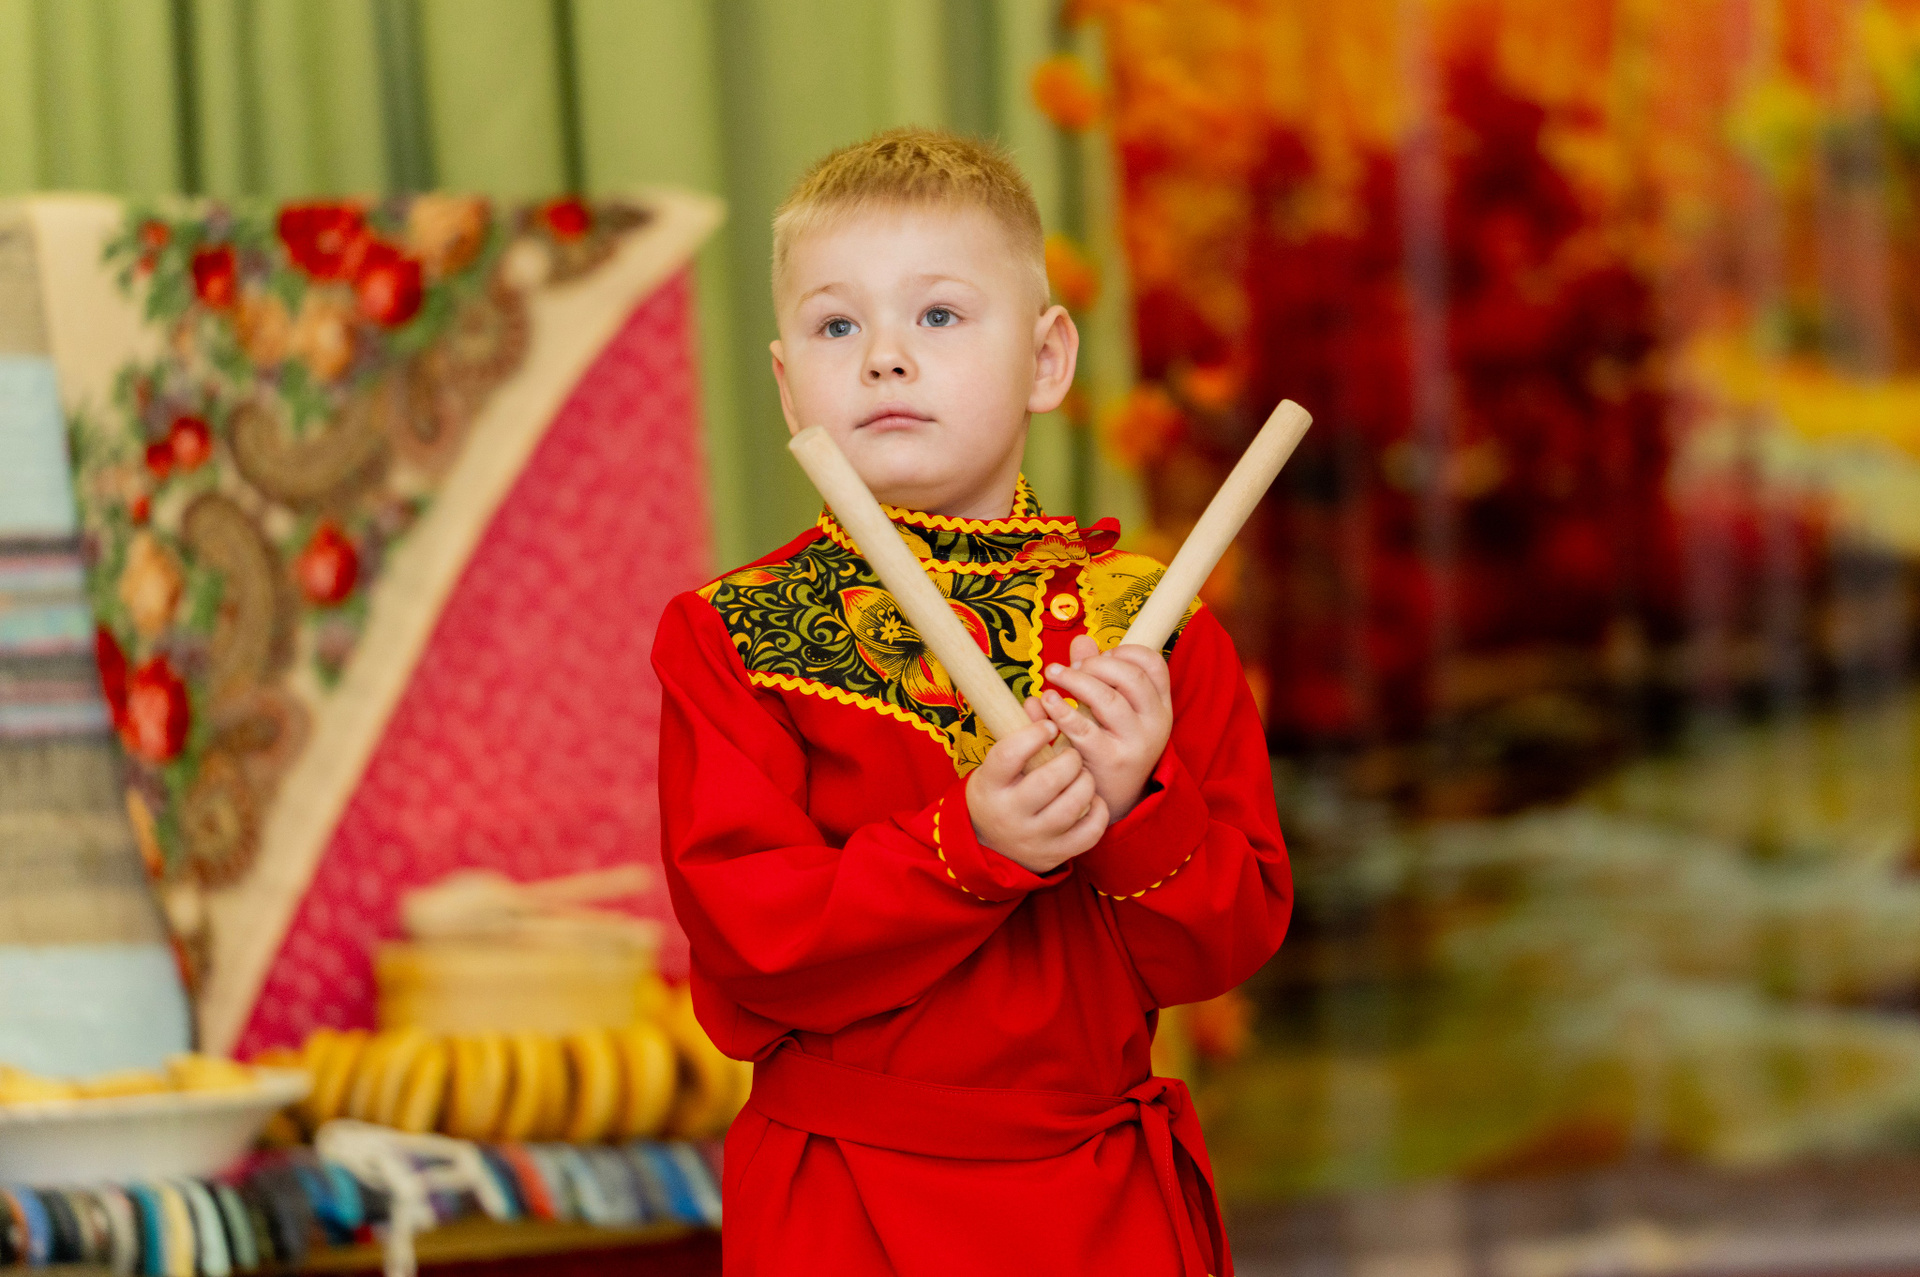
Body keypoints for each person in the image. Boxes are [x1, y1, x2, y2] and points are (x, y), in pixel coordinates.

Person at [651, 127, 1291, 1276]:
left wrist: (1141, 802)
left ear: (1047, 359)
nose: (884, 359)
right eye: (837, 326)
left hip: (1101, 1206)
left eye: (939, 314)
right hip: (845, 1204)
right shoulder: (731, 635)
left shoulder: (1152, 627)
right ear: (788, 384)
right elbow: (750, 945)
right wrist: (966, 846)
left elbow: (1225, 942)